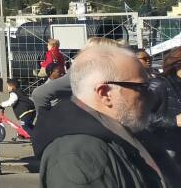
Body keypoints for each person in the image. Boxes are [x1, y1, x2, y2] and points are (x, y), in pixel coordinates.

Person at [33, 44, 181, 186]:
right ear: (105, 94)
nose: (150, 96)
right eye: (142, 87)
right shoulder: (77, 155)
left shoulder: (131, 132)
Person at [148, 47, 181, 165]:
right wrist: (173, 121)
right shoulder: (159, 84)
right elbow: (143, 115)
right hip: (167, 147)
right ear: (177, 65)